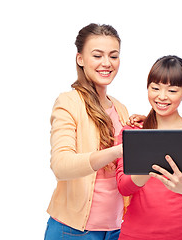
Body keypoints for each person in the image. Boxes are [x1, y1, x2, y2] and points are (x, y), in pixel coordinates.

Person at [44, 23, 129, 240]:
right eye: (97, 55)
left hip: (116, 229)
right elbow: (61, 165)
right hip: (73, 231)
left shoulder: (120, 108)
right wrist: (116, 151)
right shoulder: (68, 103)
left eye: (113, 56)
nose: (107, 63)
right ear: (80, 59)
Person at [116, 55, 182, 240]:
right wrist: (149, 166)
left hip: (181, 235)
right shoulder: (132, 131)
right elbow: (124, 187)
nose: (162, 96)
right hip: (133, 235)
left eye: (172, 90)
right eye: (155, 88)